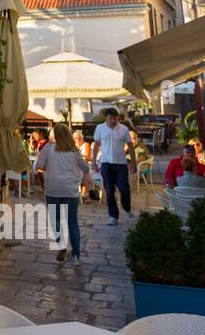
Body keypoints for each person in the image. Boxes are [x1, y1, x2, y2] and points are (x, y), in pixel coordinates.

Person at [33, 123, 89, 264]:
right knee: (72, 223)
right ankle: (76, 256)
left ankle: (61, 246)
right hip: (70, 190)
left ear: (54, 135)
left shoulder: (48, 148)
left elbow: (38, 166)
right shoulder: (74, 150)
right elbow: (86, 168)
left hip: (52, 189)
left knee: (56, 221)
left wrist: (47, 167)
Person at [94, 107, 135, 225]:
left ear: (118, 117)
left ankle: (127, 209)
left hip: (121, 164)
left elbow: (130, 146)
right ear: (106, 118)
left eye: (115, 118)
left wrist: (133, 163)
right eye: (110, 118)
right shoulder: (100, 128)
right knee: (109, 191)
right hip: (106, 163)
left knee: (124, 189)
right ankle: (113, 216)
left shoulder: (124, 129)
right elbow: (96, 145)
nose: (113, 120)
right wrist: (94, 162)